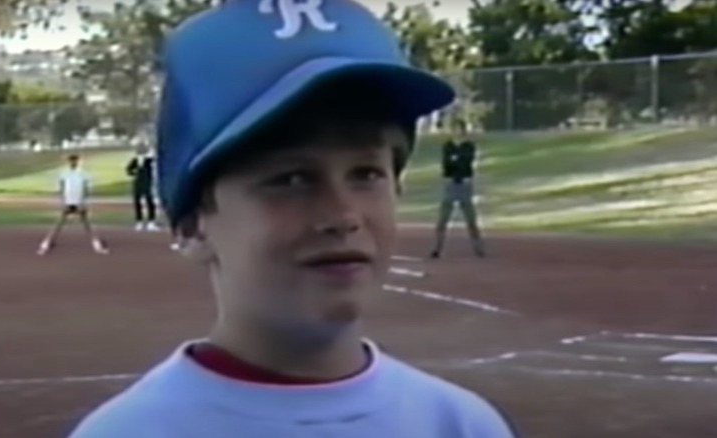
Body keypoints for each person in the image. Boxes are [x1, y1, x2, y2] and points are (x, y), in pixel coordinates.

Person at [68, 1, 515, 437]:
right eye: (292, 179)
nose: (342, 215)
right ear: (192, 224)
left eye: (366, 173)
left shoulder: (459, 425)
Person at [430, 120, 486, 259]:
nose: (456, 132)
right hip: (450, 184)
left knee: (470, 219)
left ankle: (478, 248)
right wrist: (455, 162)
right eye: (454, 129)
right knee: (443, 219)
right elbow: (446, 164)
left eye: (459, 129)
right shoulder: (447, 146)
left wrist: (456, 161)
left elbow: (466, 162)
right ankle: (437, 248)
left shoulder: (469, 146)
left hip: (465, 184)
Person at [37, 154, 109, 255]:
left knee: (87, 224)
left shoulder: (84, 174)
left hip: (79, 202)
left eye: (75, 160)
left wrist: (83, 203)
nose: (73, 162)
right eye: (71, 160)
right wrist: (62, 202)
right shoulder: (64, 173)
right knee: (59, 223)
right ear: (68, 162)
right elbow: (61, 188)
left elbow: (86, 189)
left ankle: (97, 244)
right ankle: (46, 244)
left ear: (78, 161)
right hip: (68, 201)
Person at [126, 143, 160, 231]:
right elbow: (128, 170)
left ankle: (151, 222)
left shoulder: (150, 160)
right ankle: (139, 222)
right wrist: (135, 173)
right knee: (137, 202)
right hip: (138, 184)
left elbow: (156, 165)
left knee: (150, 202)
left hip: (147, 184)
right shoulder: (135, 160)